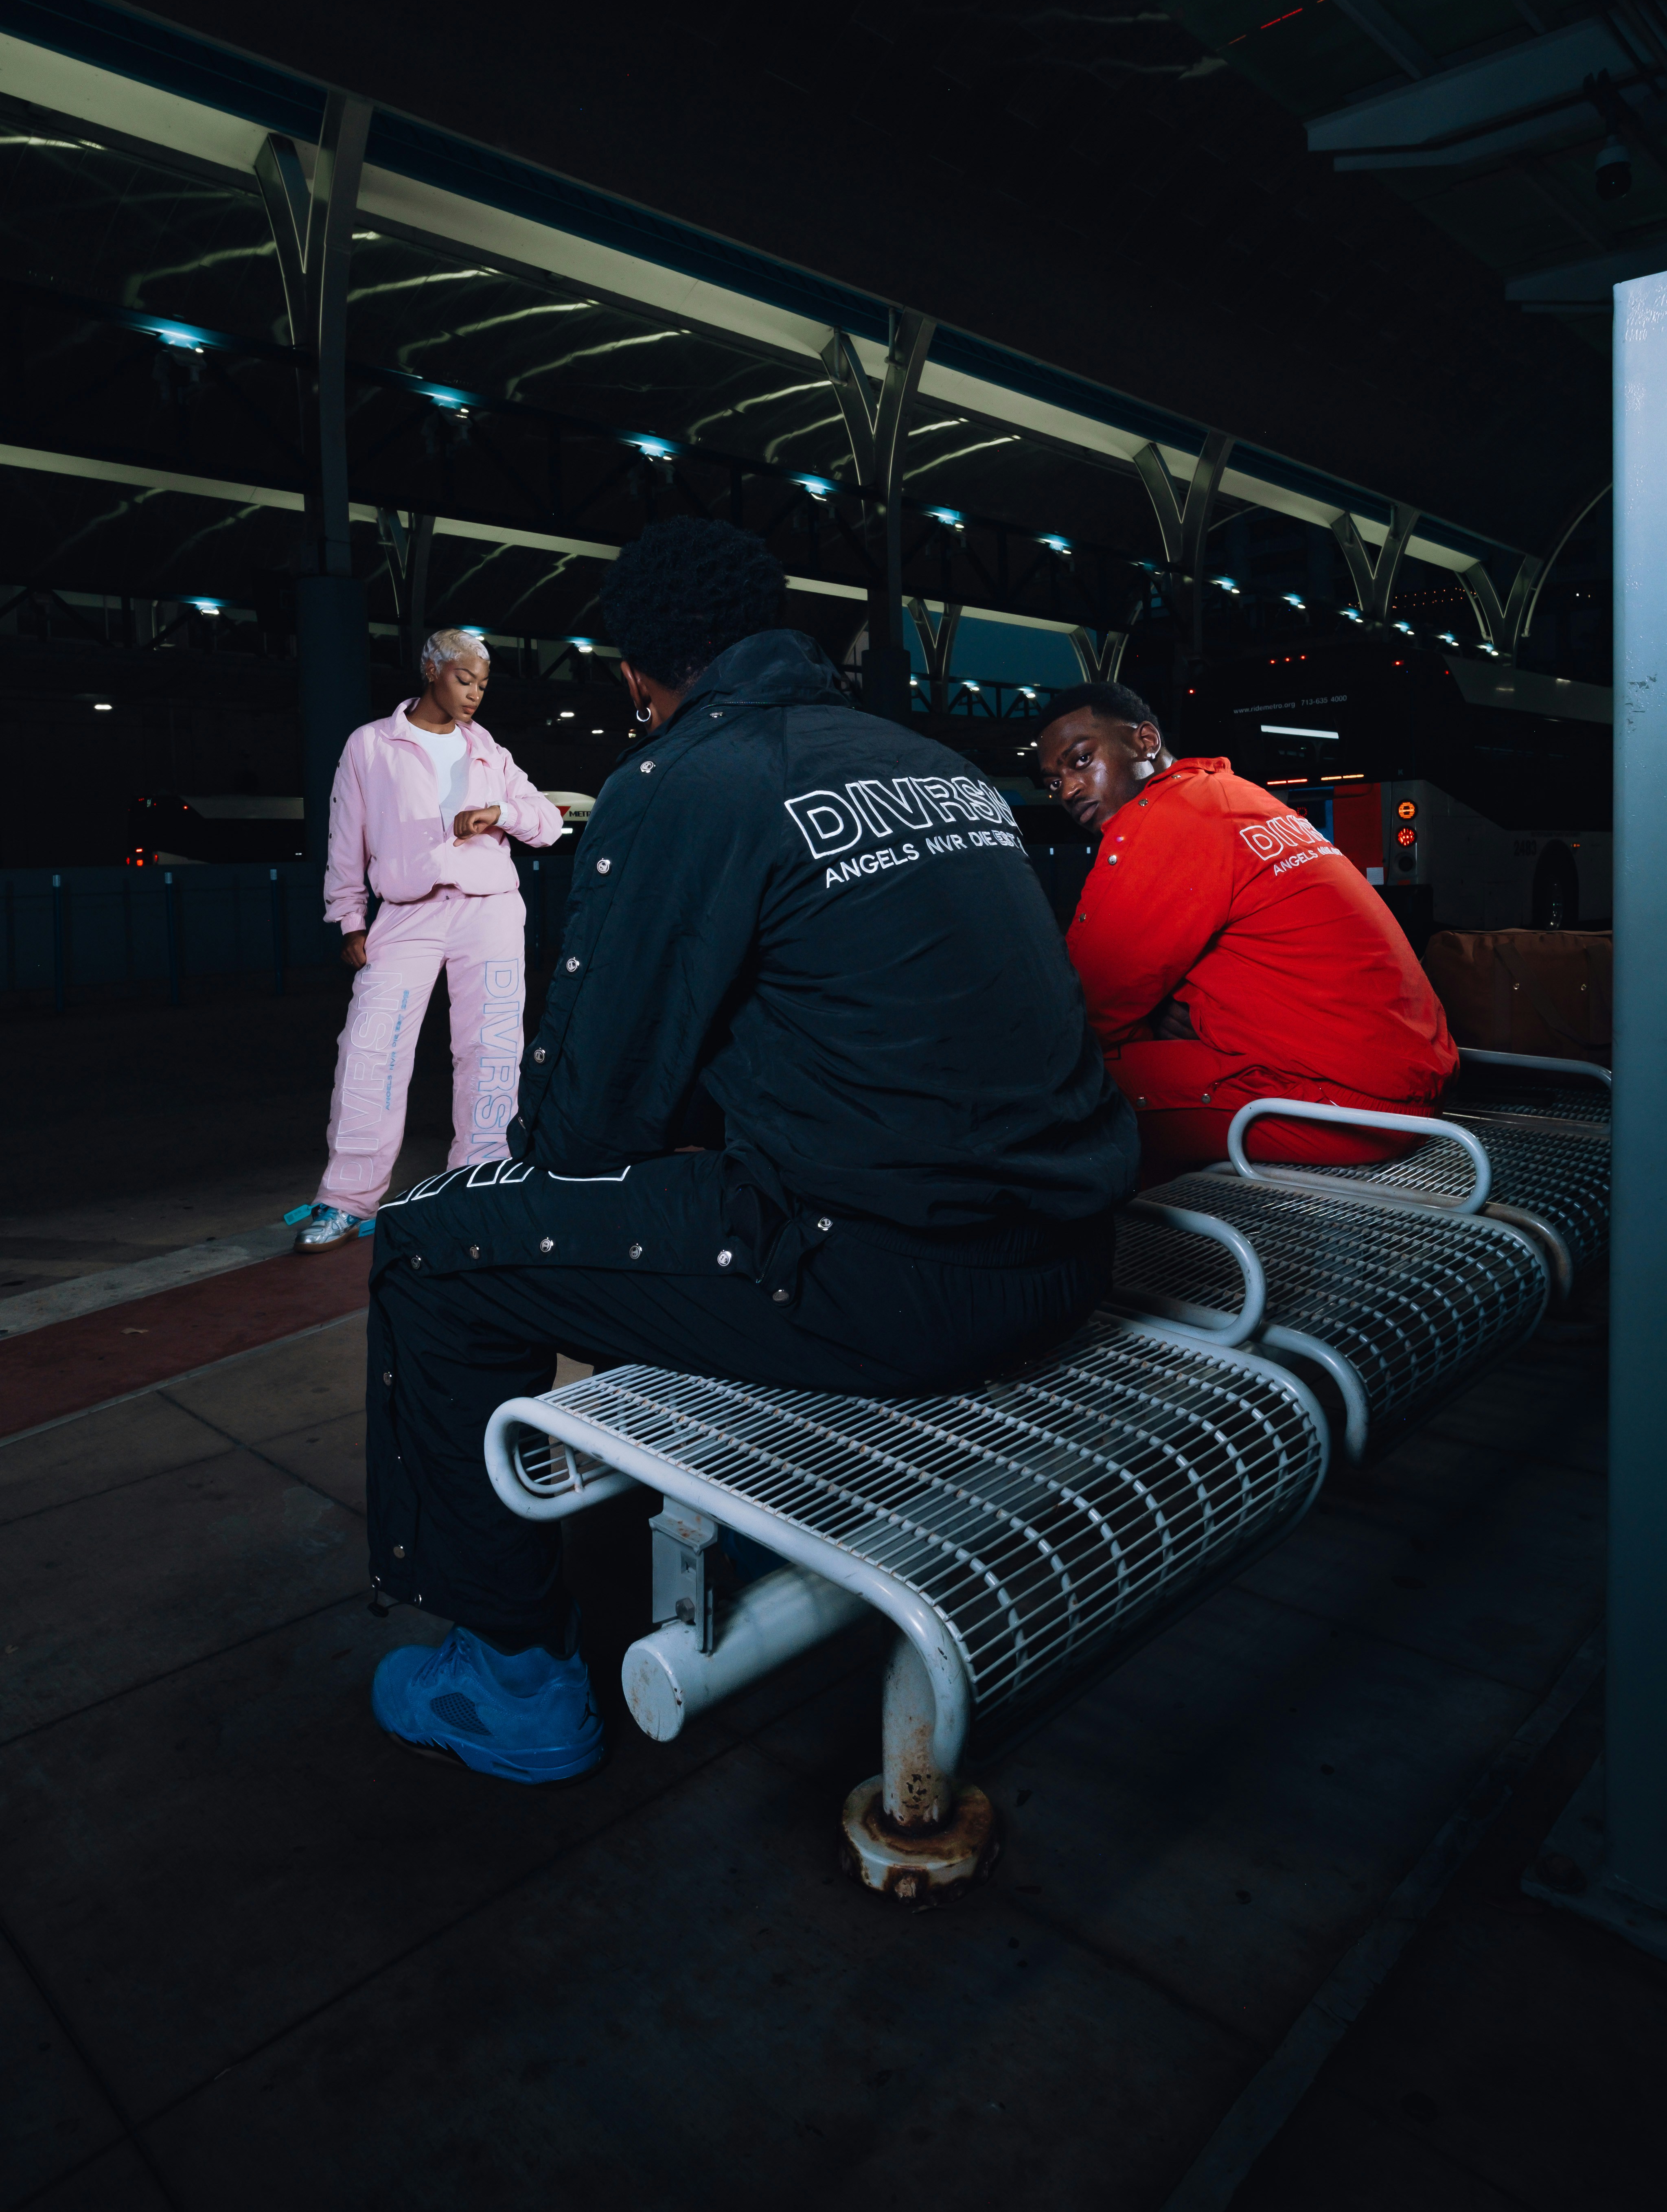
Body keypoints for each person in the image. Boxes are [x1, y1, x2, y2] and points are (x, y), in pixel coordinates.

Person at [364, 519, 1138, 1782]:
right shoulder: (931, 764)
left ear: (636, 674)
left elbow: (582, 1129)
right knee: (694, 1192)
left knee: (431, 1244)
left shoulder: (683, 780)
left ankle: (511, 1679)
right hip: (1063, 1256)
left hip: (892, 1289)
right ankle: (734, 1526)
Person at [1036, 680, 1456, 1186]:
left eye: (1080, 760)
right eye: (1053, 781)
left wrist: (1149, 1010)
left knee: (1062, 1090)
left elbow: (1080, 1013)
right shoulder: (1233, 794)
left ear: (1146, 740)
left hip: (1345, 1103)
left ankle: (1143, 1257)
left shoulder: (1162, 820)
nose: (1069, 789)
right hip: (1404, 1077)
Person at [292, 628, 563, 1253]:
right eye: (464, 680)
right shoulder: (372, 745)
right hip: (407, 912)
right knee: (370, 1049)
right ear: (431, 672)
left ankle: (479, 1187)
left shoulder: (487, 750)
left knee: (491, 1051)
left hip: (489, 910)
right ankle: (346, 1201)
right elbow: (346, 838)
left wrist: (499, 813)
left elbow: (547, 824)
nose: (474, 695)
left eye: (483, 686)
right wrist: (350, 919)